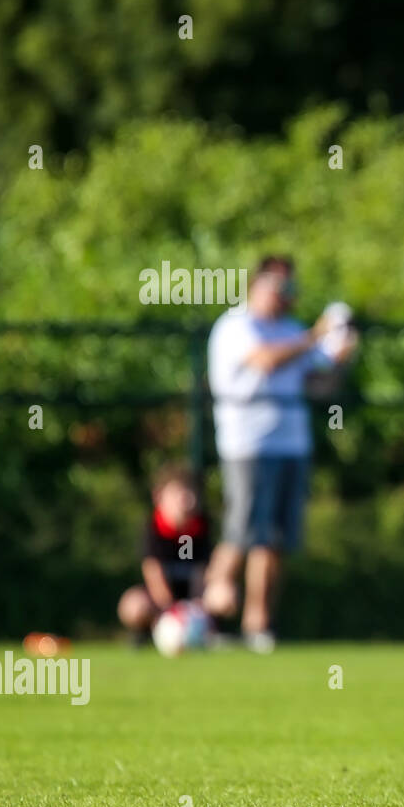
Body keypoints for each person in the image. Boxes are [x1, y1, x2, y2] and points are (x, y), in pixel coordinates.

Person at [202, 256, 357, 652]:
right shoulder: (235, 326)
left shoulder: (291, 329)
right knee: (241, 533)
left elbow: (320, 383)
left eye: (292, 288)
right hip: (248, 445)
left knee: (274, 540)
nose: (287, 296)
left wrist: (339, 356)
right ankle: (210, 617)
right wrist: (315, 335)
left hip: (292, 444)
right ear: (257, 285)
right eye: (280, 287)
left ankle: (259, 626)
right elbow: (266, 361)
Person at [117, 463, 214, 643]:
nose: (186, 500)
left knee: (223, 596)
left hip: (191, 600)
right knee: (133, 605)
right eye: (179, 493)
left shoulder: (200, 526)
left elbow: (201, 572)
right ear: (160, 496)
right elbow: (154, 574)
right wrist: (171, 611)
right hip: (161, 602)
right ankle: (146, 633)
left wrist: (193, 609)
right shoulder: (153, 527)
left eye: (189, 492)